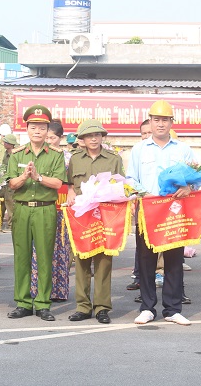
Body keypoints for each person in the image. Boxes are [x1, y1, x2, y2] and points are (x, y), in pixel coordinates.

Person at [127, 100, 195, 326]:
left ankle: (173, 308)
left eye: (165, 120)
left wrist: (189, 188)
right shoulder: (139, 149)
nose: (160, 124)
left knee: (174, 259)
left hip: (174, 212)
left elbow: (196, 177)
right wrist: (140, 192)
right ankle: (147, 307)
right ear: (150, 121)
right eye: (156, 120)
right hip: (147, 210)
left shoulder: (183, 149)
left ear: (171, 122)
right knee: (146, 259)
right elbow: (130, 180)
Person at [7, 107, 67, 322]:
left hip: (45, 209)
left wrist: (38, 177)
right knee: (21, 257)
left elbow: (59, 183)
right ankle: (22, 302)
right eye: (34, 127)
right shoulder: (16, 154)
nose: (38, 131)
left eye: (42, 128)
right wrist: (25, 176)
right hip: (22, 209)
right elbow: (12, 184)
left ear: (47, 130)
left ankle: (43, 303)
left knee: (44, 257)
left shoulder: (56, 155)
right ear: (27, 129)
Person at [65, 118, 126, 324]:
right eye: (89, 135)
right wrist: (70, 192)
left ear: (102, 137)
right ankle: (82, 306)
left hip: (105, 214)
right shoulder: (75, 159)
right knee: (81, 259)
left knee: (103, 261)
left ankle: (102, 308)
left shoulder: (113, 158)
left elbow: (121, 186)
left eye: (97, 135)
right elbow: (70, 184)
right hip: (82, 215)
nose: (94, 138)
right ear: (82, 139)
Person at [31, 119, 72, 302]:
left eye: (52, 137)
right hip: (42, 205)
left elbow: (72, 183)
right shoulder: (38, 154)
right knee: (38, 249)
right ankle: (37, 289)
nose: (49, 140)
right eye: (46, 137)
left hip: (62, 208)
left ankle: (59, 290)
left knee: (61, 249)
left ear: (61, 138)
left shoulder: (68, 158)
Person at [128, 119, 152, 290]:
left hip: (166, 207)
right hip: (143, 206)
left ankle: (176, 293)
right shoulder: (137, 151)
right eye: (143, 133)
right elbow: (131, 179)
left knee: (169, 252)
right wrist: (144, 193)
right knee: (143, 250)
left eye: (148, 133)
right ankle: (141, 282)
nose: (146, 136)